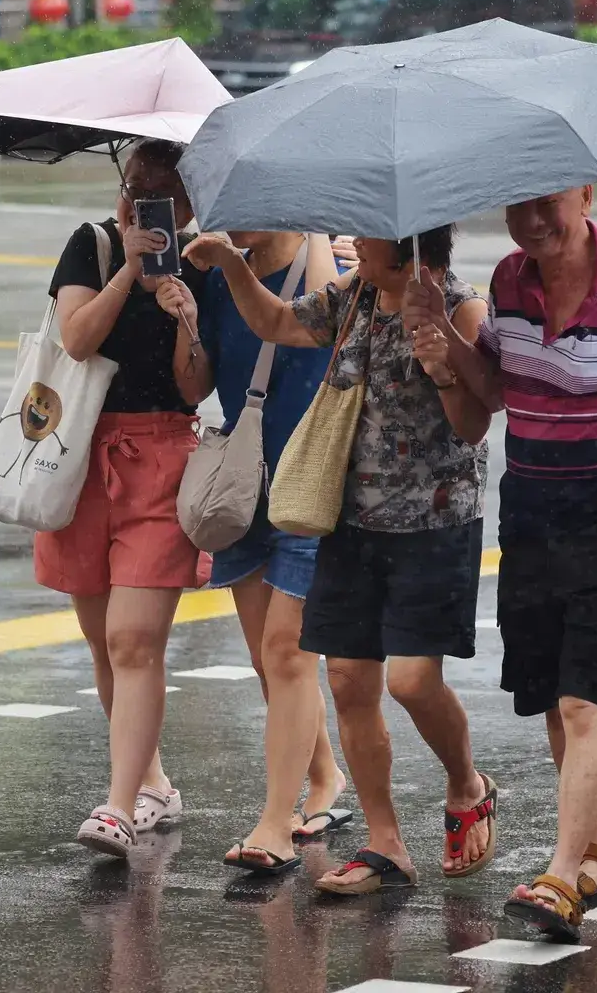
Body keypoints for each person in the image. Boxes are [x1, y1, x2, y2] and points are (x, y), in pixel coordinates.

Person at [415, 185, 597, 942]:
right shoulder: (510, 281)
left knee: (585, 699)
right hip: (533, 504)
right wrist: (446, 344)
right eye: (517, 207)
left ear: (587, 194)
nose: (532, 221)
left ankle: (562, 876)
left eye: (549, 204)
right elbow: (503, 389)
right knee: (550, 691)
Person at [196, 226, 495, 895]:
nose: (354, 240)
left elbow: (478, 422)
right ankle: (386, 845)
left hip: (434, 524)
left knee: (413, 683)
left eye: (369, 233)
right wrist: (227, 264)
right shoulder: (356, 294)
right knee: (350, 684)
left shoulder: (462, 307)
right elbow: (275, 320)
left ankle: (466, 782)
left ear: (411, 241)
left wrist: (446, 362)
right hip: (350, 521)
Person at [41, 139, 213, 858]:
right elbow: (75, 340)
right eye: (137, 192)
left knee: (133, 639)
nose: (147, 208)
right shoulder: (91, 247)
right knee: (103, 644)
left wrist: (186, 319)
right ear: (122, 197)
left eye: (165, 200)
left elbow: (195, 389)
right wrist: (129, 277)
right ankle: (152, 784)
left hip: (163, 459)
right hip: (82, 459)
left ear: (189, 208)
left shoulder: (204, 263)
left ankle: (117, 806)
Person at [184, 230, 351, 875]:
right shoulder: (217, 276)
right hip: (244, 484)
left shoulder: (335, 267)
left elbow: (306, 320)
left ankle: (275, 822)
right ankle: (325, 778)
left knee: (286, 651)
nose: (236, 218)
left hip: (310, 488)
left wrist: (313, 236)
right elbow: (193, 382)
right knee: (266, 658)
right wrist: (182, 315)